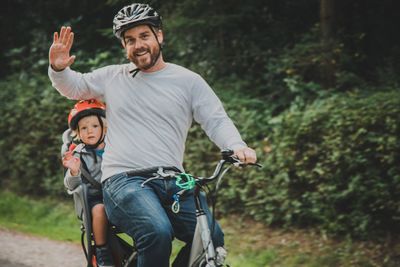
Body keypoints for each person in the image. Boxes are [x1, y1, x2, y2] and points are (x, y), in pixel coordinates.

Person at [48, 3, 257, 267]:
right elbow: (73, 86)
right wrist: (58, 69)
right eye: (130, 40)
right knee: (156, 232)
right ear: (124, 46)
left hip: (172, 179)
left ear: (159, 35)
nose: (138, 45)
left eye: (144, 36)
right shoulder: (113, 77)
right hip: (123, 181)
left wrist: (236, 146)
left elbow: (216, 120)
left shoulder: (188, 80)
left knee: (211, 237)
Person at [62, 99, 114, 267]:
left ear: (105, 128)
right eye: (84, 128)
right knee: (100, 210)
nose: (89, 131)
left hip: (118, 194)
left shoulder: (117, 149)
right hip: (93, 200)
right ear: (78, 133)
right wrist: (74, 171)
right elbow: (70, 186)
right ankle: (101, 252)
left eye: (94, 126)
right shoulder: (78, 154)